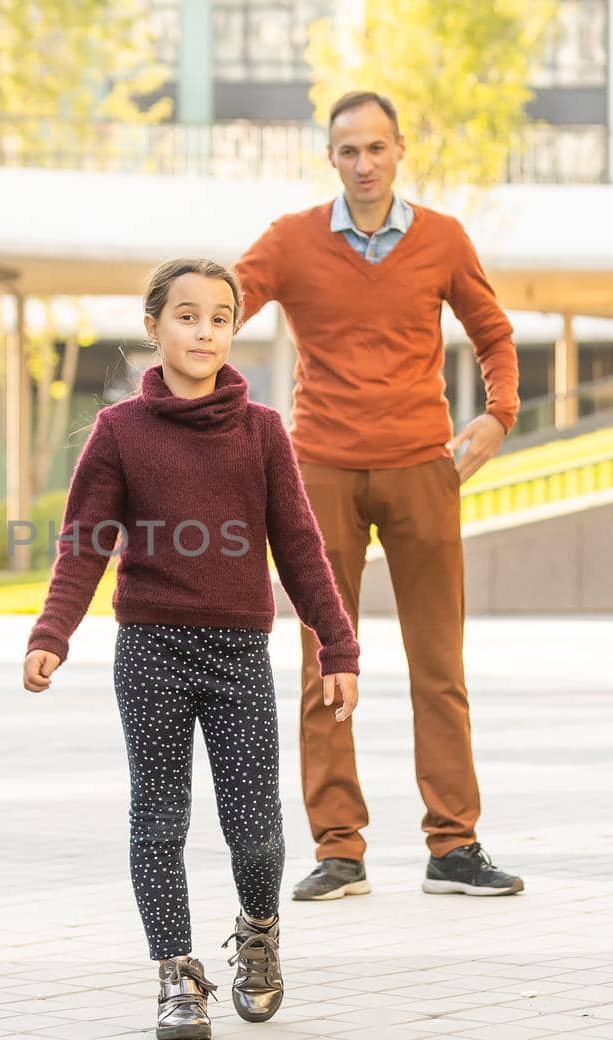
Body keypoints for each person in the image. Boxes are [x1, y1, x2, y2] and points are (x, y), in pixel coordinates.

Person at [22, 257, 360, 1040]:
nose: (202, 329)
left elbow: (301, 548)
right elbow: (83, 544)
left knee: (254, 826)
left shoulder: (263, 431)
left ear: (233, 329)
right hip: (150, 650)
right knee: (159, 819)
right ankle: (176, 973)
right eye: (185, 315)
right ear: (153, 328)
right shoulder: (119, 433)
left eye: (218, 316)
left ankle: (259, 932)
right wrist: (53, 633)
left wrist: (336, 645)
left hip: (239, 652)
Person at [233, 90, 526, 903]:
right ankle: (338, 848)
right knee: (327, 658)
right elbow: (226, 303)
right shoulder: (292, 239)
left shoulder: (442, 239)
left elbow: (493, 332)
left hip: (421, 470)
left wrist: (498, 415)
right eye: (347, 151)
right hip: (318, 471)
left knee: (439, 662)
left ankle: (454, 844)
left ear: (400, 151)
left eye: (376, 148)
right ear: (330, 158)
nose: (363, 163)